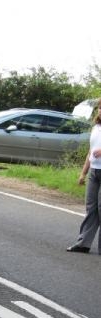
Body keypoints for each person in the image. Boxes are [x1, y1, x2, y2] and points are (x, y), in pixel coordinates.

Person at [67, 99, 101, 254]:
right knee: (91, 207)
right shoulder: (96, 127)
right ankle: (83, 243)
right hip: (94, 171)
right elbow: (90, 151)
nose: (100, 110)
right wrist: (83, 173)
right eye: (100, 108)